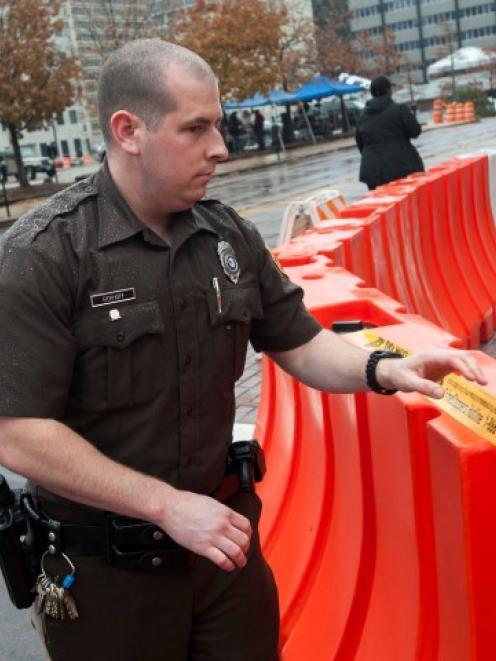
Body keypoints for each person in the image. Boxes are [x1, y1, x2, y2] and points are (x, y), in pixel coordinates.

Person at [0, 39, 486, 661]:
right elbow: (20, 434)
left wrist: (386, 368)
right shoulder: (46, 253)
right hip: (106, 579)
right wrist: (167, 507)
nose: (220, 148)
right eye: (195, 128)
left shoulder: (226, 234)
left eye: (220, 124)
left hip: (224, 550)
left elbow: (301, 342)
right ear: (129, 130)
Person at [355, 75, 425, 190]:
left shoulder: (362, 117)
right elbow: (415, 131)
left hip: (373, 171)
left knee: (383, 205)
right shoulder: (399, 110)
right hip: (402, 167)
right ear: (388, 90)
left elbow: (360, 144)